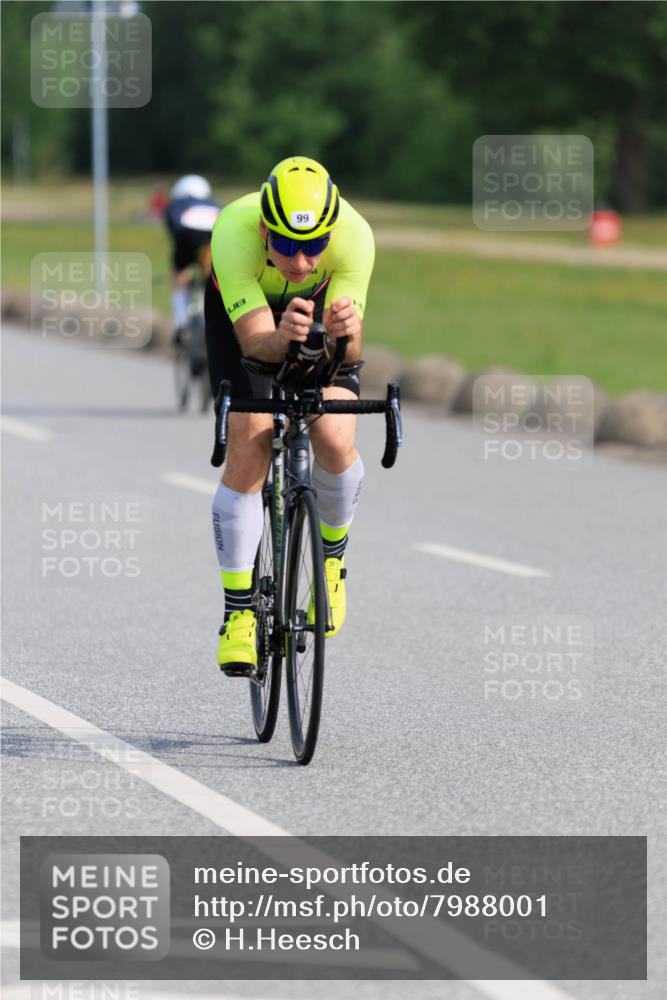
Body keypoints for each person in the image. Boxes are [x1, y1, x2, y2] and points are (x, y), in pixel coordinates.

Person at [205, 155, 375, 674]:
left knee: (336, 437)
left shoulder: (355, 237)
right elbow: (256, 343)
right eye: (284, 244)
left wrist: (346, 336)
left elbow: (349, 354)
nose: (300, 262)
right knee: (250, 442)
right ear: (264, 230)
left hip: (316, 312)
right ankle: (239, 614)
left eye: (314, 246)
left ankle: (331, 563)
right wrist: (280, 338)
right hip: (247, 323)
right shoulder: (233, 232)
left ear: (331, 234)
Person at [164, 175, 221, 342]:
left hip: (187, 234)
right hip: (215, 235)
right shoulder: (214, 203)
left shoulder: (176, 204)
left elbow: (176, 234)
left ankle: (181, 323)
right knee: (212, 275)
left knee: (179, 274)